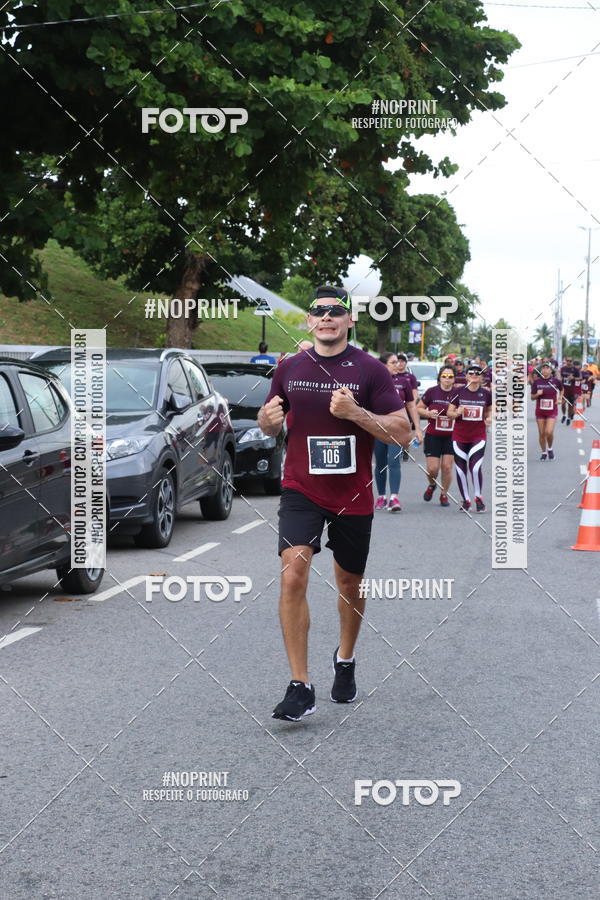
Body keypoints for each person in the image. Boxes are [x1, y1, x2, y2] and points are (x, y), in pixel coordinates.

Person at [258, 284, 410, 722]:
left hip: (353, 493)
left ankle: (345, 658)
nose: (326, 317)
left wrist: (356, 414)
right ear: (309, 321)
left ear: (349, 321)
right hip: (301, 488)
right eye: (318, 311)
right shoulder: (289, 369)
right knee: (293, 574)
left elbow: (402, 432)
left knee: (348, 582)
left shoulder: (370, 371)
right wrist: (267, 423)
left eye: (335, 311)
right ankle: (300, 685)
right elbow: (271, 423)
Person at [373, 352, 419, 512]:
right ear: (384, 365)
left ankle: (394, 497)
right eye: (393, 362)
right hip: (377, 428)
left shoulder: (404, 381)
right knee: (380, 463)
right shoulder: (374, 381)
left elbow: (412, 405)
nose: (397, 365)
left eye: (398, 362)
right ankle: (381, 496)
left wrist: (417, 429)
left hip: (397, 429)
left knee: (393, 461)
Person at [447, 365, 492, 513]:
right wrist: (457, 413)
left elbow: (490, 409)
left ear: (481, 377)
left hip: (478, 436)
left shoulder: (486, 393)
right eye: (470, 373)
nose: (474, 375)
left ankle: (478, 498)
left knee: (475, 467)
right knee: (460, 470)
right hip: (459, 436)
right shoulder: (458, 392)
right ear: (466, 376)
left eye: (477, 373)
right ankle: (466, 500)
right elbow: (449, 413)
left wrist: (490, 417)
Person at [416, 366, 458, 507]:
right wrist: (428, 413)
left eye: (450, 376)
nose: (447, 379)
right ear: (440, 377)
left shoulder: (459, 393)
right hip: (433, 435)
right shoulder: (432, 392)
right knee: (432, 469)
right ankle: (432, 484)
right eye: (444, 376)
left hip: (452, 436)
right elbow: (418, 408)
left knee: (447, 467)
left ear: (454, 378)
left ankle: (444, 494)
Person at [531, 362, 563, 460]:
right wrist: (537, 394)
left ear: (551, 370)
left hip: (552, 410)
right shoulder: (537, 382)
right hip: (540, 411)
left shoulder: (555, 381)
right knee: (541, 433)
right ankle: (544, 452)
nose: (545, 370)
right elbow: (532, 397)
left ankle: (550, 448)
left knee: (548, 432)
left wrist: (560, 398)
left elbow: (562, 390)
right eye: (543, 368)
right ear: (541, 371)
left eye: (547, 368)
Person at [560, 356, 580, 425]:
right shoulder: (563, 368)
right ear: (565, 361)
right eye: (567, 361)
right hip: (564, 389)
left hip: (571, 390)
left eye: (570, 361)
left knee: (570, 406)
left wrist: (573, 378)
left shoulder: (575, 369)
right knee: (562, 403)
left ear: (572, 361)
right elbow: (561, 377)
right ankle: (564, 415)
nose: (568, 362)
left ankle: (568, 418)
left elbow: (580, 378)